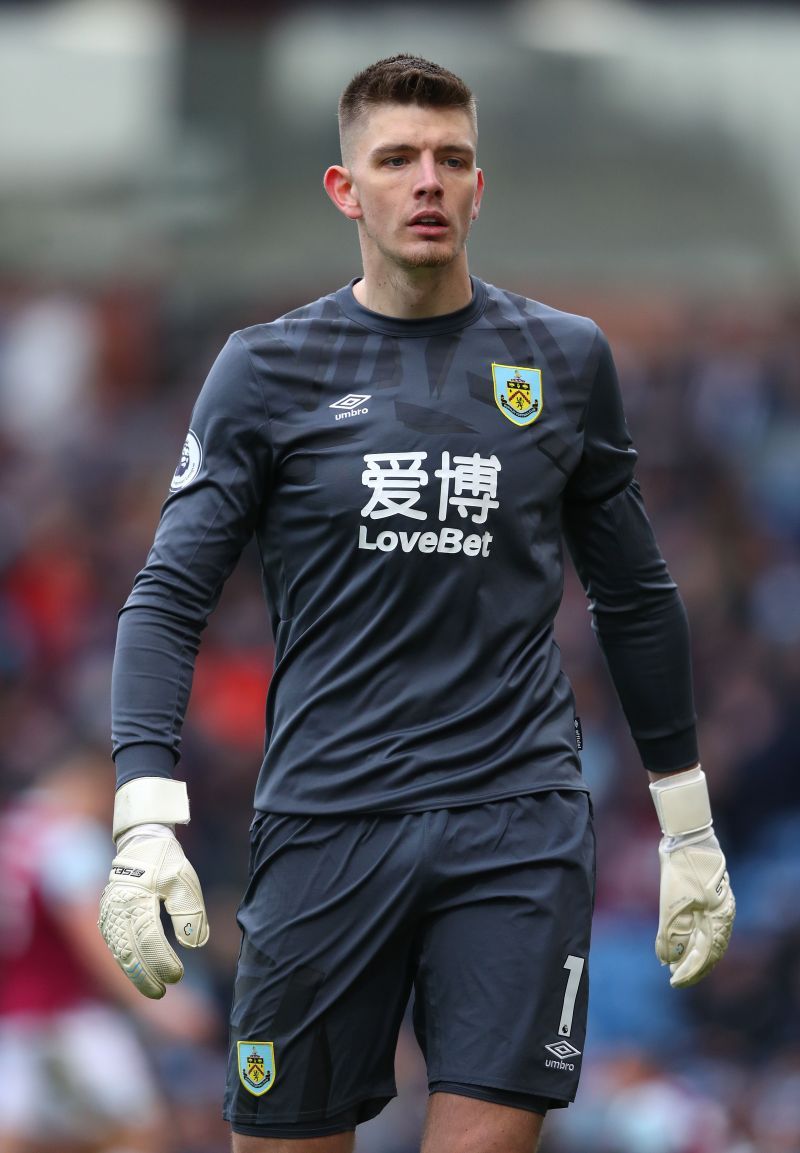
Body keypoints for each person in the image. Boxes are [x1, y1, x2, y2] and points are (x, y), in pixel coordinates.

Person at [98, 54, 735, 1153]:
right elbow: (166, 597)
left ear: (479, 188)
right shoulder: (264, 369)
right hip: (326, 819)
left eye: (448, 159)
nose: (426, 181)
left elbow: (633, 592)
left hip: (515, 818)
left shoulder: (563, 359)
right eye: (396, 159)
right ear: (346, 189)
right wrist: (142, 813)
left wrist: (687, 823)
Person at [0, 748, 217, 1153]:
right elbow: (97, 935)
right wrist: (161, 1003)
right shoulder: (68, 837)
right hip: (69, 1020)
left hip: (13, 1023)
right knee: (144, 1131)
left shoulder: (12, 830)